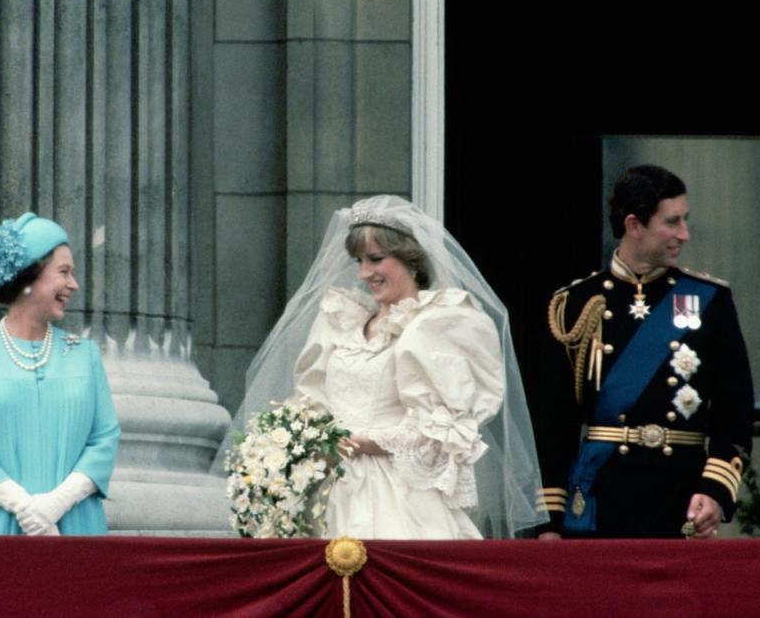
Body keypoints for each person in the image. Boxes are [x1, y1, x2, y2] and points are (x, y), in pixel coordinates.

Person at [218, 195, 545, 539]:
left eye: (376, 259)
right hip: (330, 490)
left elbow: (440, 430)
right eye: (358, 260)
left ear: (412, 259)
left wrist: (355, 443)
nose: (364, 273)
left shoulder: (436, 324)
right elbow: (311, 404)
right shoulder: (340, 321)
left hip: (398, 493)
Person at [535, 164, 754, 539]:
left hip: (680, 497)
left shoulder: (708, 300)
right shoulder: (574, 303)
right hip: (600, 501)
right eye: (672, 222)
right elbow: (553, 423)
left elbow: (733, 412)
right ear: (634, 225)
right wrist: (550, 519)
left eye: (685, 220)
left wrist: (715, 488)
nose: (684, 234)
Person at [0, 212, 120, 535]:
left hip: (73, 527)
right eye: (63, 272)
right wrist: (27, 510)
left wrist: (56, 505)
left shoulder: (86, 356)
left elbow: (104, 440)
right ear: (28, 277)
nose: (74, 284)